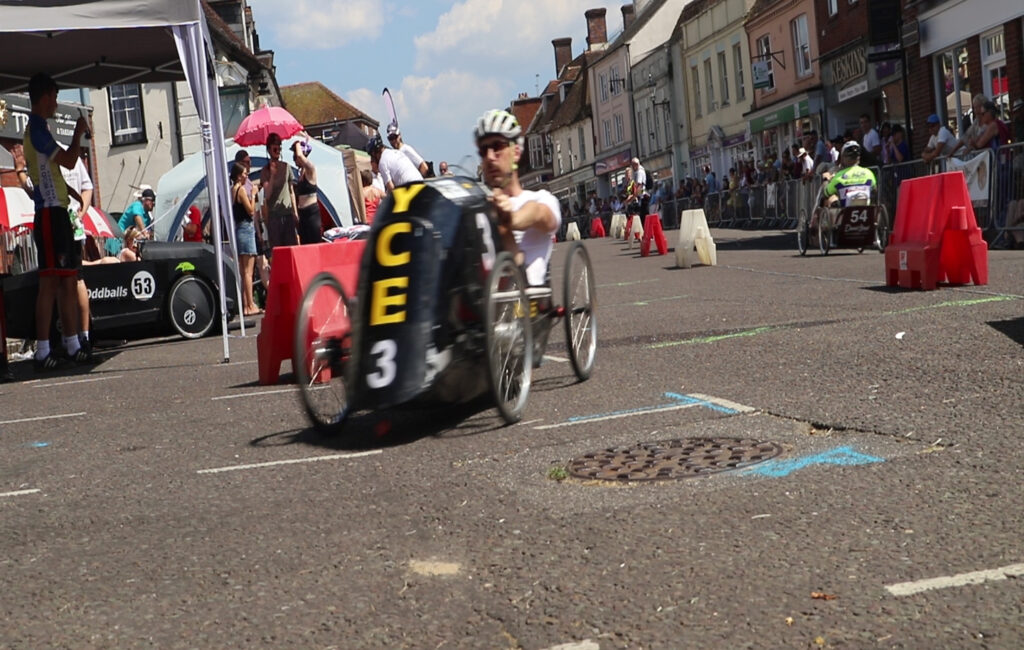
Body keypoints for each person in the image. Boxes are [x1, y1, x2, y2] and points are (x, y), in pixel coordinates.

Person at [23, 72, 92, 370]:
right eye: (54, 96)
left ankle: (73, 343)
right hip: (49, 213)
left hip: (58, 211)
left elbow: (58, 171)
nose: (56, 103)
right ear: (45, 96)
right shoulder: (36, 129)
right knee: (50, 282)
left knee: (66, 280)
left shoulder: (42, 128)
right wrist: (77, 134)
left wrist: (73, 195)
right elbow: (68, 160)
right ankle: (42, 350)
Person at [475, 109, 560, 286]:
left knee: (504, 229)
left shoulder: (541, 198)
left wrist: (509, 217)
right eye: (483, 150)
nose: (490, 157)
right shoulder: (477, 207)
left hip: (526, 296)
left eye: (498, 146)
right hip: (480, 297)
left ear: (516, 152)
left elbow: (539, 214)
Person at [230, 162, 261, 316]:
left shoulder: (233, 190)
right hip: (246, 229)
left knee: (244, 272)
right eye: (244, 174)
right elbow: (250, 210)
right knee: (249, 271)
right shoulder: (241, 189)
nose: (246, 176)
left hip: (239, 229)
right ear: (238, 176)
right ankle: (249, 305)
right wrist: (254, 194)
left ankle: (246, 304)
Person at [259, 133, 299, 249]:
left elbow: (291, 190)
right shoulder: (265, 172)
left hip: (287, 214)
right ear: (269, 149)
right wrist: (272, 175)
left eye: (279, 148)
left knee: (291, 248)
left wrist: (295, 212)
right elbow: (268, 194)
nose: (278, 151)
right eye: (275, 148)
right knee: (277, 250)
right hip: (274, 216)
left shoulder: (286, 167)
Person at [822, 141, 877, 209]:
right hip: (867, 212)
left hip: (845, 213)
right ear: (858, 158)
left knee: (830, 198)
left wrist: (825, 179)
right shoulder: (869, 173)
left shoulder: (838, 177)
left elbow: (826, 193)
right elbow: (874, 191)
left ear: (843, 158)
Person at [291, 140, 321, 244]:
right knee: (304, 244)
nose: (294, 160)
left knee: (314, 244)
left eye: (295, 156)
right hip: (303, 215)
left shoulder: (310, 169)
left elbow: (299, 156)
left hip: (312, 213)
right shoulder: (300, 174)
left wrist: (298, 141)